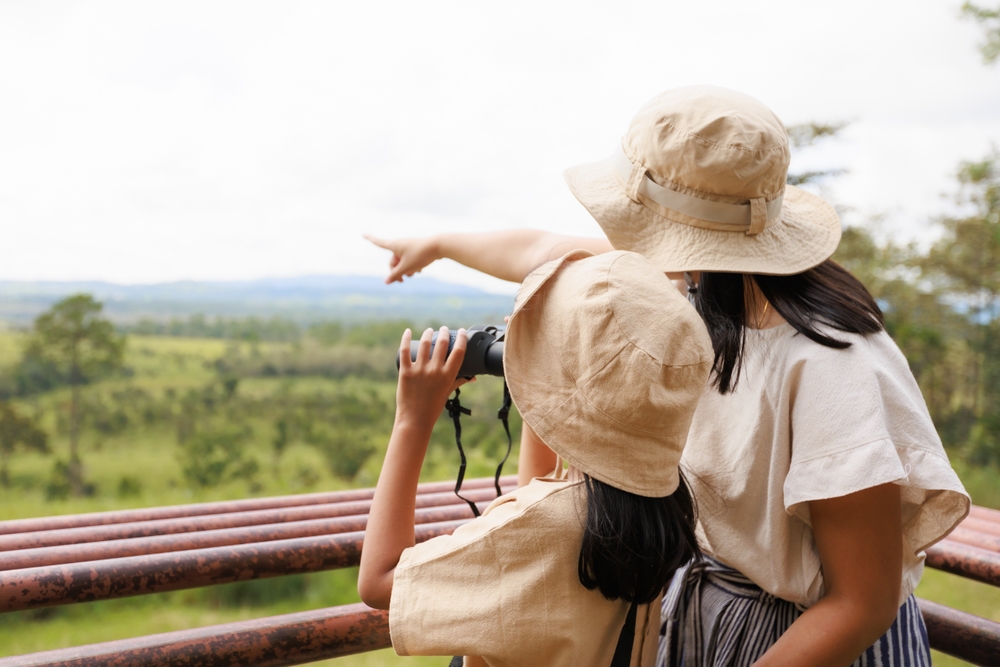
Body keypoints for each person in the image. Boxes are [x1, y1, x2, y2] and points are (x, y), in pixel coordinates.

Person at [365, 86, 971, 666]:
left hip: (804, 641)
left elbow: (859, 603)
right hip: (706, 615)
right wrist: (438, 242)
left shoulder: (833, 367)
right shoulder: (688, 292)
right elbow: (546, 252)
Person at [357, 249, 715, 666]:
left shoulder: (545, 527)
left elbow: (381, 581)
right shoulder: (657, 505)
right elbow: (540, 492)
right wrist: (539, 378)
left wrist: (412, 421)